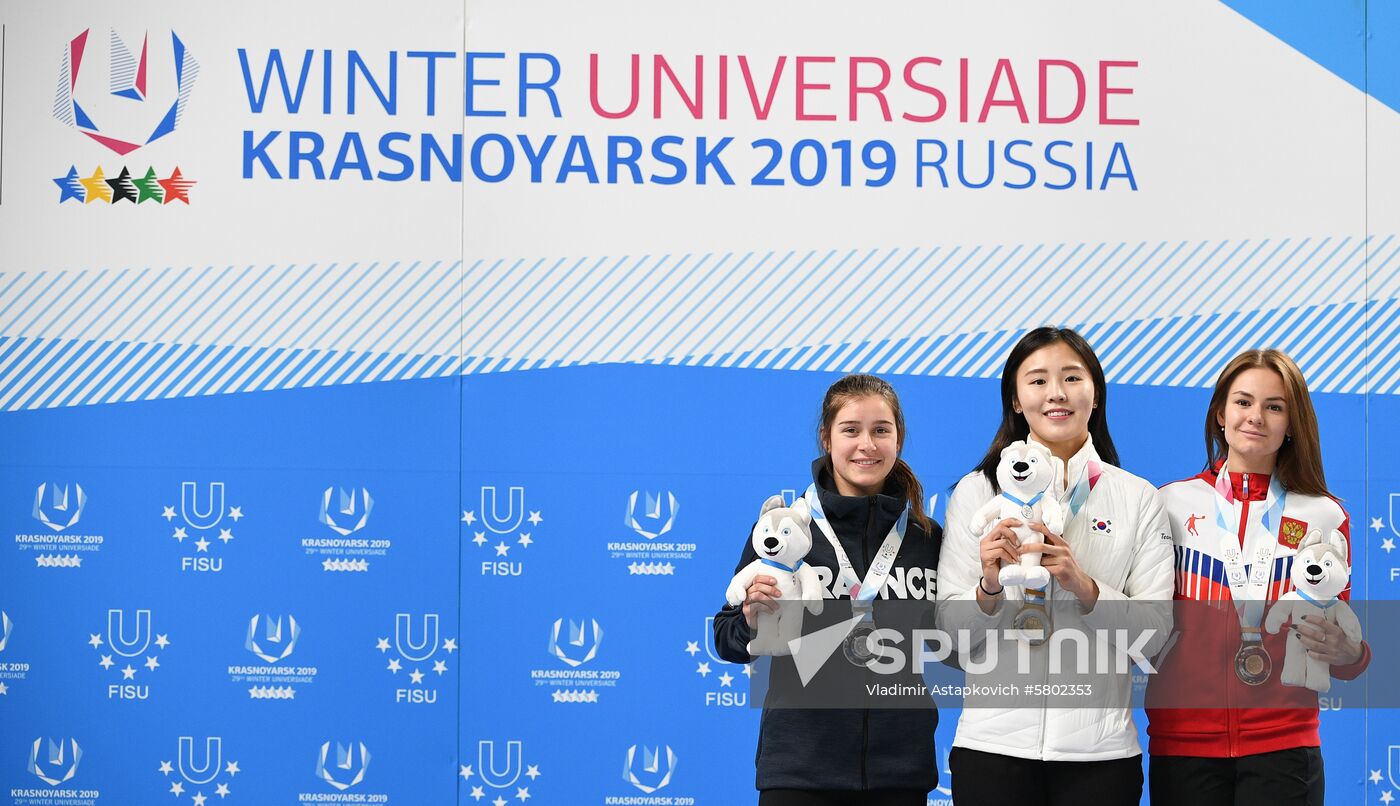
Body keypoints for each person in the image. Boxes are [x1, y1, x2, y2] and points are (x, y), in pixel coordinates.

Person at [936, 326, 1174, 806]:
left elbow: (1155, 636)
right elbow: (948, 636)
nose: (1057, 393)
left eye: (1072, 377)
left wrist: (1086, 588)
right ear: (1016, 399)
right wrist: (988, 587)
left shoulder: (1138, 498)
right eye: (1038, 380)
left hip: (1101, 758)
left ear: (1095, 394)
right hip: (991, 750)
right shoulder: (977, 492)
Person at [1147, 349, 1369, 805]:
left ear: (1292, 423)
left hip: (1284, 747)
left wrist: (1352, 654)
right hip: (1183, 743)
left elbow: (1338, 637)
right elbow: (1146, 618)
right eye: (1243, 402)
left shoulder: (1324, 515)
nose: (1256, 417)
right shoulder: (1169, 503)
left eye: (1274, 406)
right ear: (1220, 414)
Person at [713, 374, 943, 805]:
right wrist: (749, 619)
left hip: (900, 771)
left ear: (898, 437)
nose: (866, 445)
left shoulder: (926, 537)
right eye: (850, 430)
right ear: (826, 437)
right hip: (800, 769)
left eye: (880, 430)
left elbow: (951, 646)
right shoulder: (784, 530)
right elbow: (726, 639)